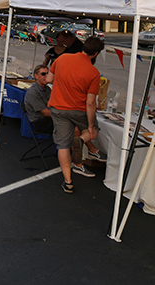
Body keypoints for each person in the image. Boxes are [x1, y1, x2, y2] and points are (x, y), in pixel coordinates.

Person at [47, 36, 105, 194]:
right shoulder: (94, 72)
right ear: (96, 54)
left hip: (58, 107)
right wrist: (91, 126)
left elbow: (50, 79)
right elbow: (91, 102)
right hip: (78, 109)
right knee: (92, 130)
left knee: (63, 145)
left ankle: (68, 181)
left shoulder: (63, 58)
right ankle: (83, 142)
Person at [24, 64, 106, 159]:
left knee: (80, 122)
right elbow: (45, 112)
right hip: (41, 121)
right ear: (35, 76)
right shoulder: (33, 92)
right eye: (43, 74)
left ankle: (84, 153)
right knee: (73, 128)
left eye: (48, 73)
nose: (46, 76)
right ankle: (79, 156)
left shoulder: (47, 89)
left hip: (52, 117)